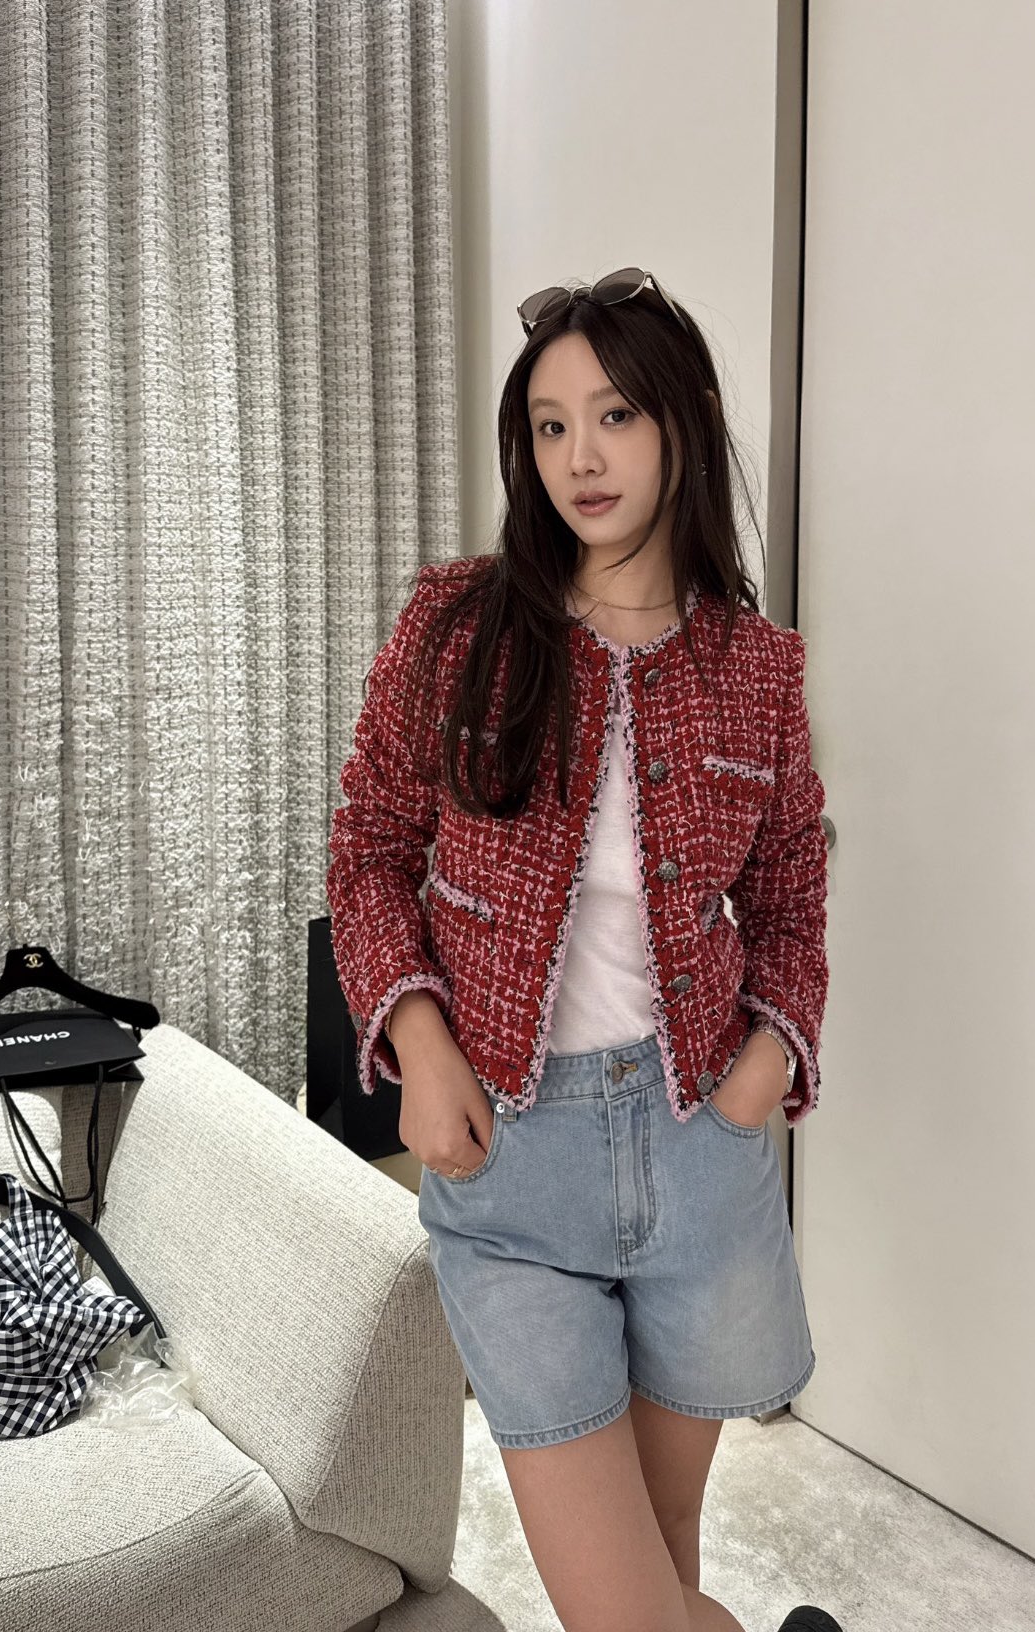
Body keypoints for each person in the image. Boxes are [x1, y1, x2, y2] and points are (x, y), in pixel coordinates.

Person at [326, 268, 842, 1632]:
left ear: (682, 421)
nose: (581, 458)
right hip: (512, 1161)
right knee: (626, 1611)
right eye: (551, 426)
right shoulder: (457, 628)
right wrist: (420, 1043)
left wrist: (758, 1077)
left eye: (613, 415)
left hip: (697, 1152)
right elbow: (367, 850)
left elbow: (793, 891)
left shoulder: (755, 669)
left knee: (659, 1574)